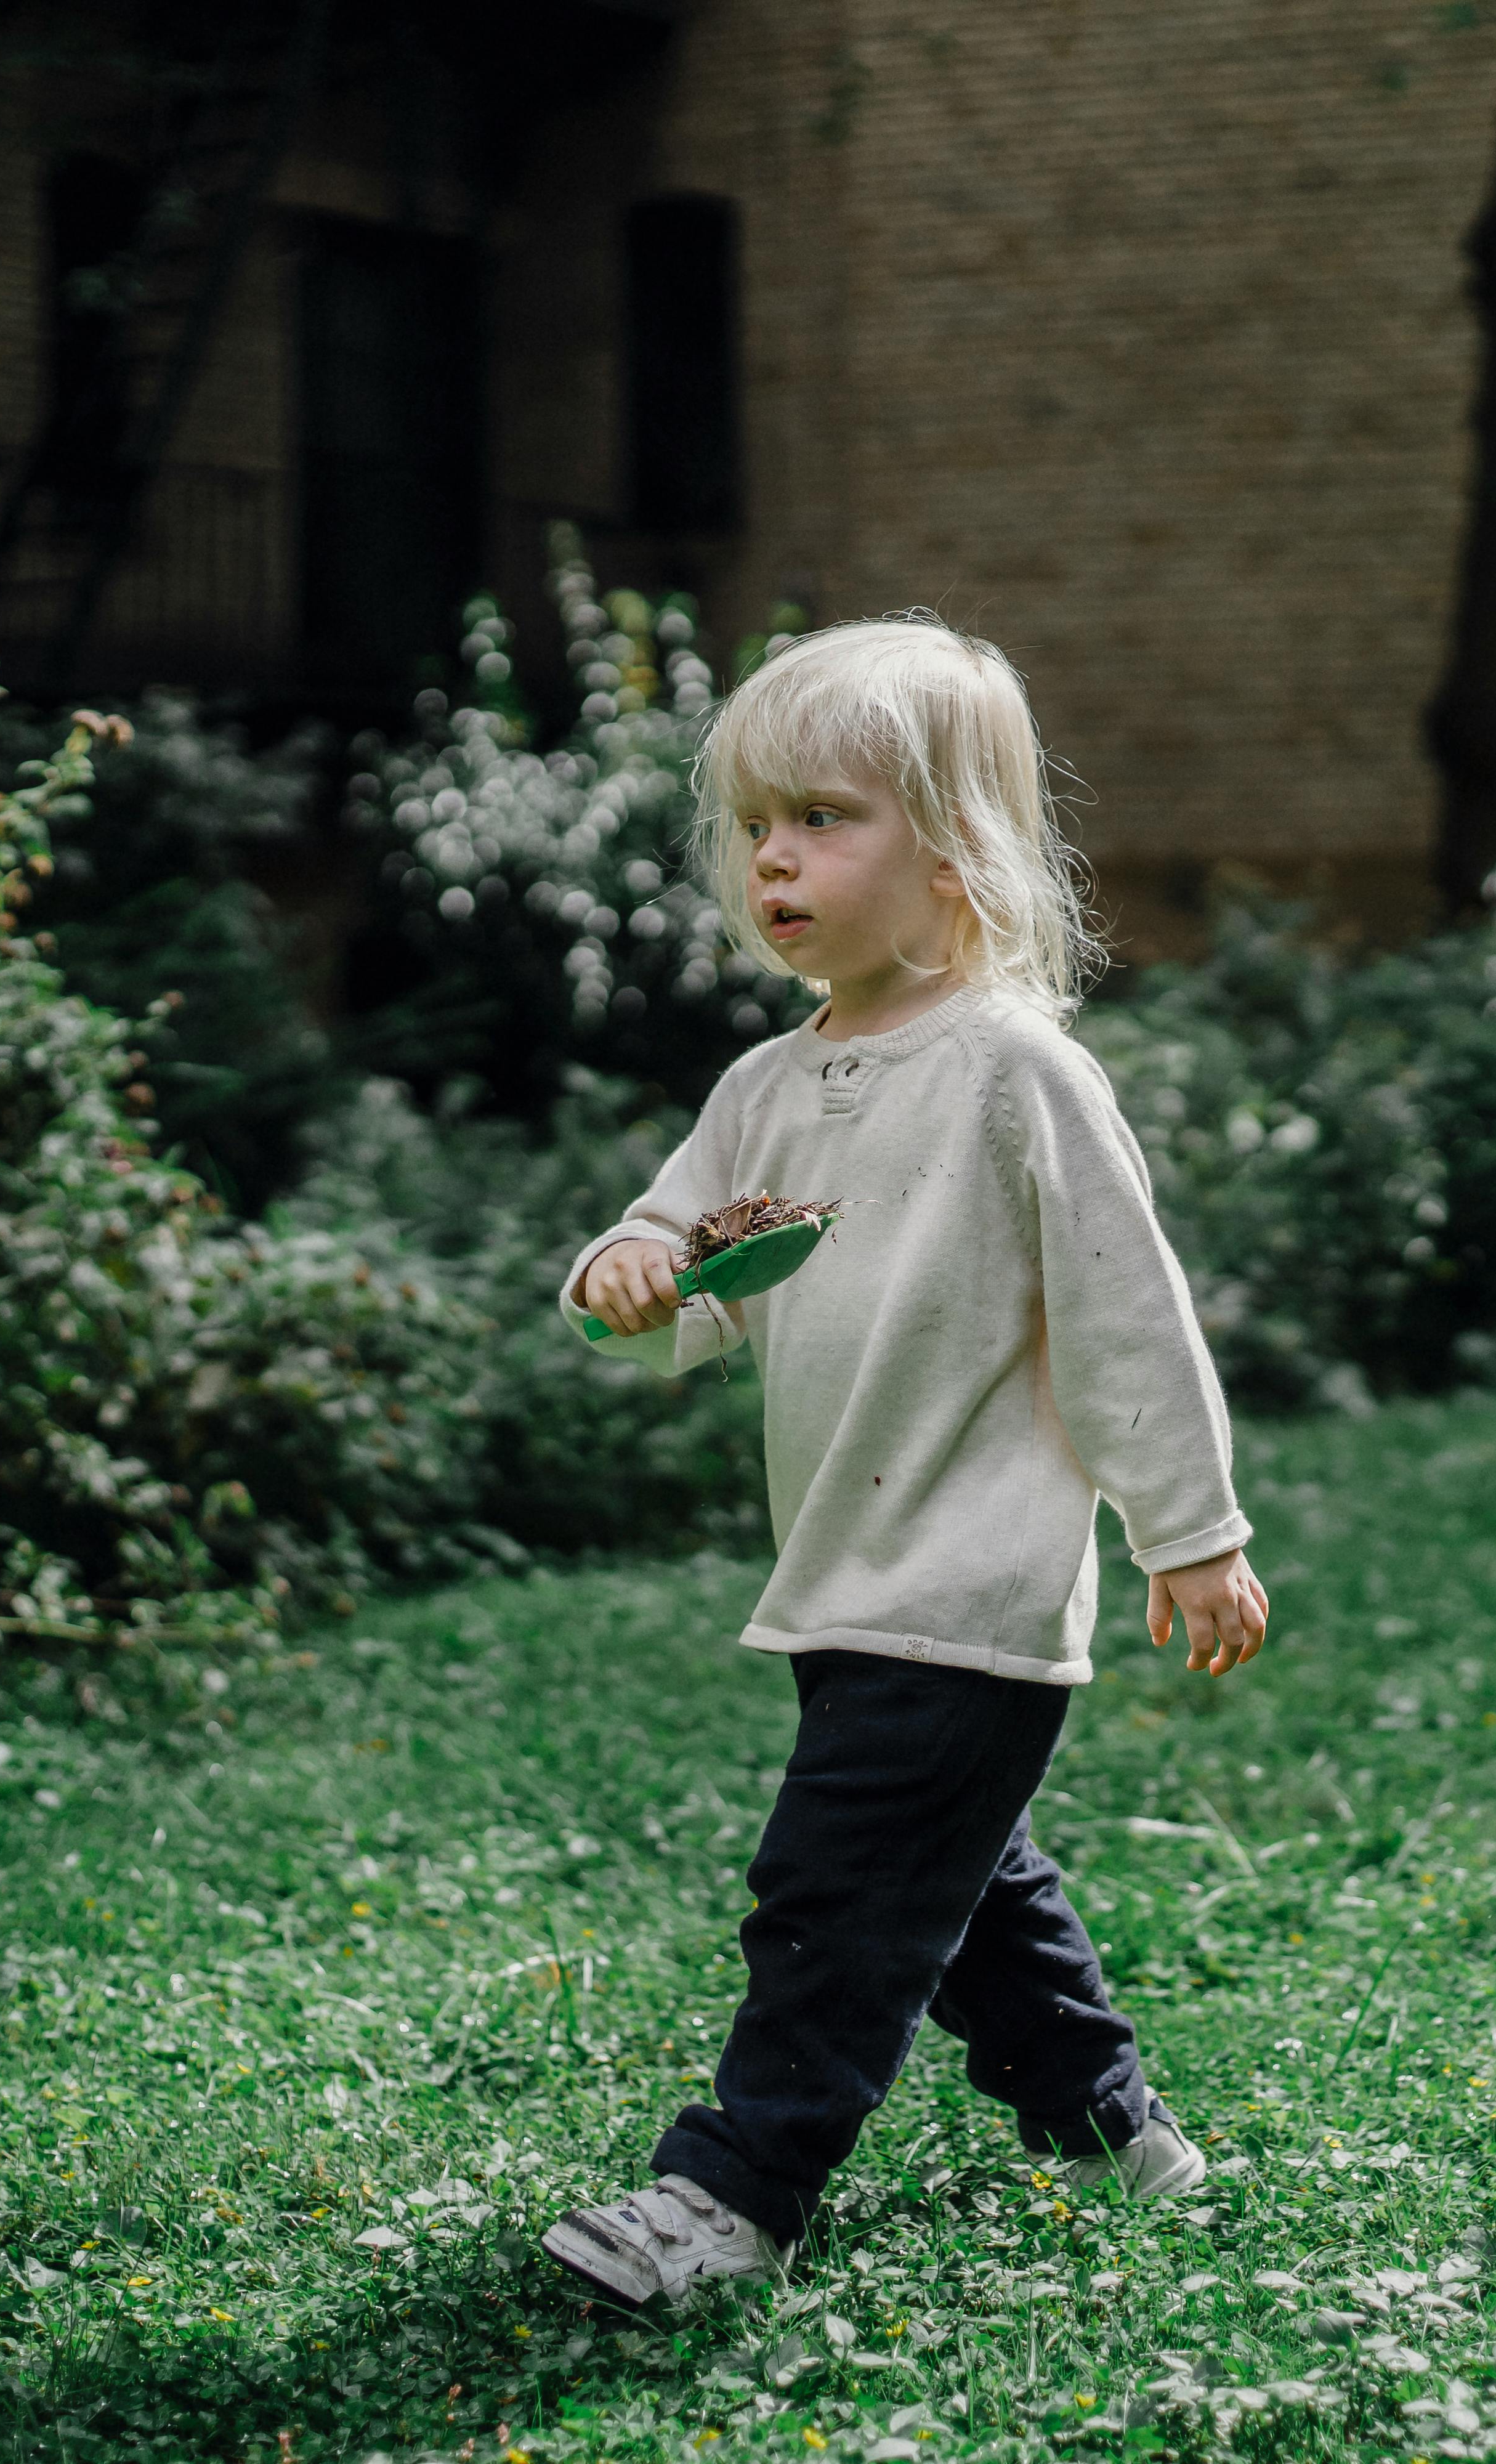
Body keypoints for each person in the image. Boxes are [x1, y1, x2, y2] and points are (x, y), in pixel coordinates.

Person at [543, 615, 1271, 2310]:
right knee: (968, 1886)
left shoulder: (1019, 1074)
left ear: (955, 853)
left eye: (824, 817)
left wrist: (1191, 1534)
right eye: (755, 823)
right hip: (847, 1573)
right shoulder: (769, 1083)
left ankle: (730, 2200)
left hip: (977, 1573)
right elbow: (676, 1253)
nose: (775, 856)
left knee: (839, 1894)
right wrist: (625, 1274)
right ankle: (1110, 2131)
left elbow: (1125, 1322)